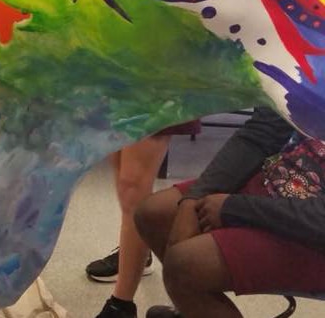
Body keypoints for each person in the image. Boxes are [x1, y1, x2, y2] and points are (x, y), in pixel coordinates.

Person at [135, 107, 325, 318]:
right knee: (155, 214)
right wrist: (194, 198)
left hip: (313, 231)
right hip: (283, 184)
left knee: (186, 265)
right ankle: (196, 309)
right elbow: (262, 132)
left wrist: (233, 208)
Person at [89, 122, 200, 318]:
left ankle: (121, 305)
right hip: (119, 91)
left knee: (132, 184)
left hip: (157, 94)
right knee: (120, 173)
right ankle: (134, 253)